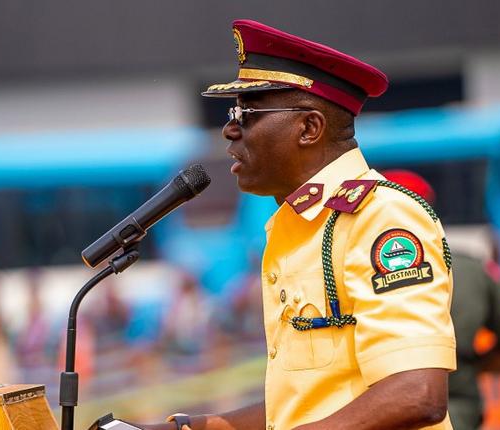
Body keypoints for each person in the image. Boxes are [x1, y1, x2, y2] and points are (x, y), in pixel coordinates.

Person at [143, 20, 456, 430]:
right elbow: (305, 406)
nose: (230, 129)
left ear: (309, 128)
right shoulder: (300, 226)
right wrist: (190, 427)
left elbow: (416, 393)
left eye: (246, 112)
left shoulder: (379, 218)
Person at [381, 169, 500, 430]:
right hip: (455, 412)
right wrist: (464, 366)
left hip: (374, 414)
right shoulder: (470, 270)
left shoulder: (347, 270)